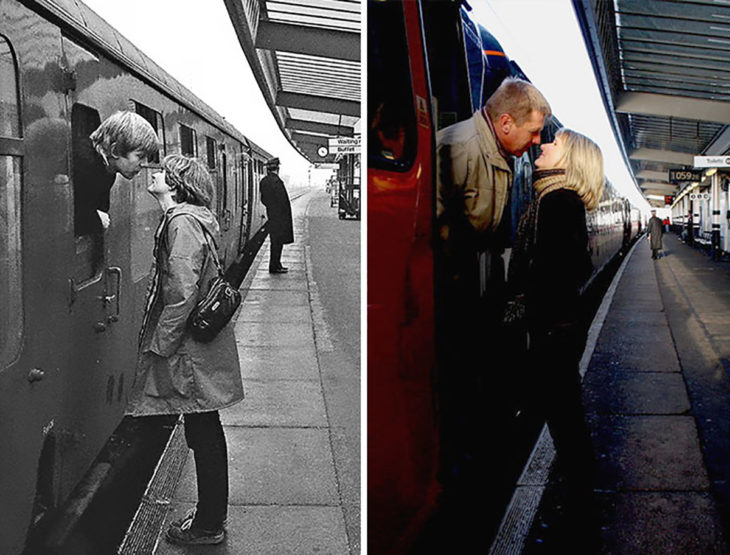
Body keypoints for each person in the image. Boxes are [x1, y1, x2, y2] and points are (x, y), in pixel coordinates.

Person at [433, 77, 551, 497]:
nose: (537, 141)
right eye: (534, 131)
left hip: (468, 290)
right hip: (445, 295)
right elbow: (423, 229)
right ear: (505, 122)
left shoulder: (499, 151)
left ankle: (475, 462)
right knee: (458, 383)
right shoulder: (460, 147)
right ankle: (458, 468)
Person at [126, 154, 244, 546]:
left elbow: (181, 292)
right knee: (203, 428)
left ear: (175, 184)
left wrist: (160, 346)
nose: (154, 174)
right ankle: (210, 517)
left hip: (191, 349)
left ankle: (208, 525)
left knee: (203, 430)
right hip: (197, 345)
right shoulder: (192, 219)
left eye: (162, 172)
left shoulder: (181, 223)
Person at [508, 127, 604, 543]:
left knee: (565, 422)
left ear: (570, 160)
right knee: (565, 417)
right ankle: (581, 504)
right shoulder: (554, 200)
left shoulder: (558, 203)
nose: (542, 146)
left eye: (554, 143)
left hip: (553, 329)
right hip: (559, 326)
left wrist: (527, 309)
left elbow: (559, 270)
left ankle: (582, 514)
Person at [75, 110, 159, 235]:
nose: (143, 163)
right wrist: (96, 220)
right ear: (115, 150)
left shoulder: (109, 170)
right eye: (140, 156)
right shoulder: (81, 163)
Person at [259, 157, 294, 273]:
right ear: (277, 168)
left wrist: (271, 208)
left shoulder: (264, 181)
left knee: (275, 241)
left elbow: (263, 199)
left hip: (272, 215)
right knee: (277, 243)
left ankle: (276, 264)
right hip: (280, 217)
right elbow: (282, 201)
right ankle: (275, 266)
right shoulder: (277, 182)